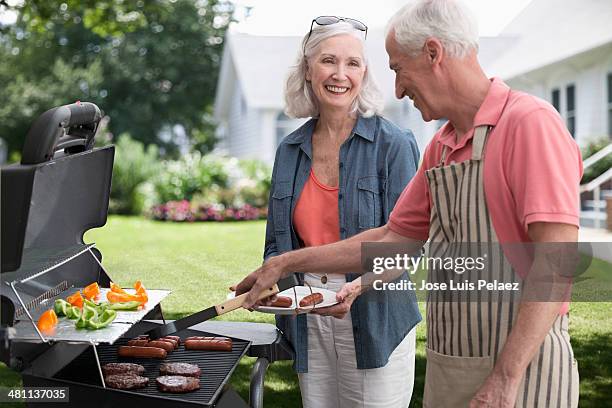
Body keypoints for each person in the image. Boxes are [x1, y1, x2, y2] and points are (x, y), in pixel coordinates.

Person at [237, 1, 582, 407]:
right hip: (453, 358)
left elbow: (556, 261)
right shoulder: (441, 146)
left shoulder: (529, 123)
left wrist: (506, 378)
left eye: (399, 68)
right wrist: (287, 264)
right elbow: (395, 237)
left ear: (433, 54)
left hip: (523, 368)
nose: (397, 88)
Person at [262, 16, 421, 408]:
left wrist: (358, 286)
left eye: (353, 63)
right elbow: (276, 243)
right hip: (307, 312)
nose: (340, 74)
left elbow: (405, 247)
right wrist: (269, 286)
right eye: (328, 61)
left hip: (375, 311)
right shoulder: (289, 151)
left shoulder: (394, 145)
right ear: (308, 69)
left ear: (365, 74)